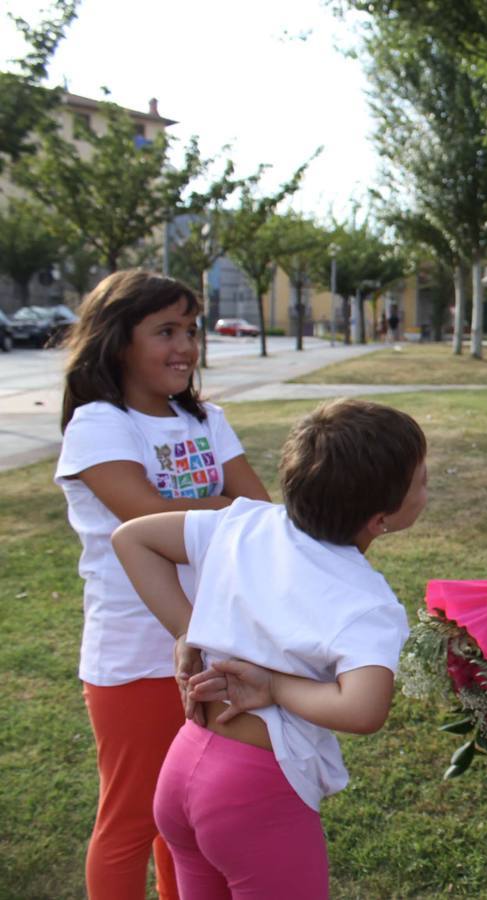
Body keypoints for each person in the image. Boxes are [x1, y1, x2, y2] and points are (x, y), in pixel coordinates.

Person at [110, 398, 427, 896]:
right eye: (421, 481)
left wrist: (185, 629)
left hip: (185, 762)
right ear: (379, 519)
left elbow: (132, 540)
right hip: (254, 791)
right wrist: (275, 686)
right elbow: (364, 709)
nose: (427, 486)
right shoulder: (368, 603)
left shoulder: (243, 523)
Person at [55, 269, 270, 900]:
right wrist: (223, 501)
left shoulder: (206, 418)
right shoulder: (100, 422)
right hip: (134, 656)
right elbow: (147, 518)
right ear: (119, 341)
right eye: (165, 331)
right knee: (131, 819)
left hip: (212, 642)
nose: (185, 346)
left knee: (187, 818)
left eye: (192, 330)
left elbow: (259, 512)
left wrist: (217, 505)